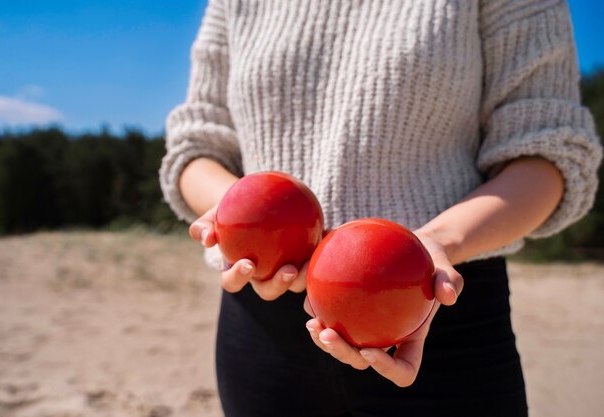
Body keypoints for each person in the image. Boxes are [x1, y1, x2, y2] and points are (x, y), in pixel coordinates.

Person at [160, 1, 602, 416]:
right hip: (261, 324)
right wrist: (239, 214)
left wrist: (439, 240)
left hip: (433, 302)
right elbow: (199, 141)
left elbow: (550, 151)